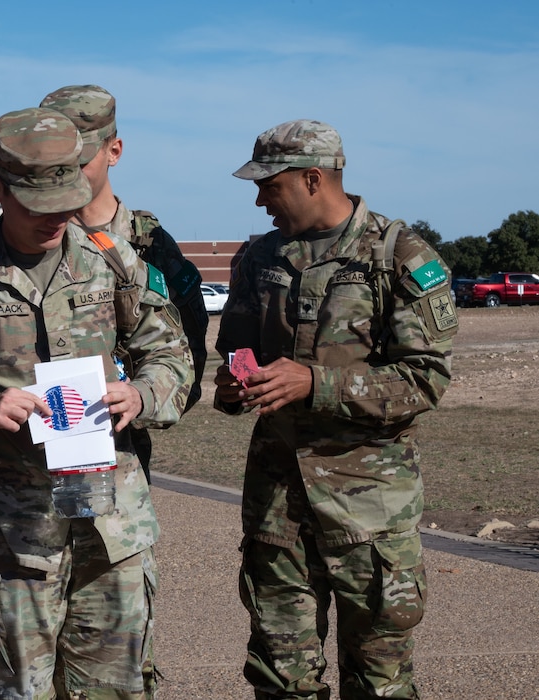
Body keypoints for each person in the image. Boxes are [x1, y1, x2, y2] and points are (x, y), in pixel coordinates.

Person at [0, 107, 195, 699]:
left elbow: (173, 358)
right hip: (12, 540)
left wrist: (142, 394)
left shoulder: (112, 261)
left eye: (67, 201)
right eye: (36, 206)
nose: (56, 219)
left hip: (112, 534)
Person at [214, 119, 458, 699]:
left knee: (379, 680)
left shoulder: (399, 254)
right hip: (278, 506)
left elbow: (425, 380)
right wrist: (233, 387)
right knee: (280, 675)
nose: (259, 199)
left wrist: (316, 383)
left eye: (269, 185)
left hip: (366, 507)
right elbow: (238, 350)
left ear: (311, 179)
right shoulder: (259, 256)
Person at [40, 84, 209, 472]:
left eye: (78, 161)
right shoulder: (20, 241)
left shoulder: (150, 247)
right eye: (52, 165)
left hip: (116, 455)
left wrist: (140, 395)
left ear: (113, 151)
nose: (65, 176)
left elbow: (188, 358)